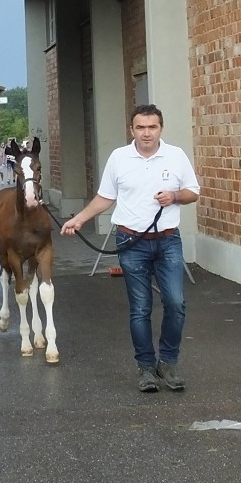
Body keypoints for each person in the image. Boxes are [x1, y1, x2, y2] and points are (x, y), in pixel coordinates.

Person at [60, 104, 200, 393]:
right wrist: (79, 219)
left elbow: (192, 192)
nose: (146, 133)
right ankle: (146, 369)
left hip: (168, 240)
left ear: (161, 128)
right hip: (130, 241)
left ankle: (168, 364)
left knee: (176, 303)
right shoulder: (119, 158)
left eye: (152, 127)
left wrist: (174, 196)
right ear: (132, 130)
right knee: (140, 308)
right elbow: (105, 198)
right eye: (140, 127)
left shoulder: (175, 156)